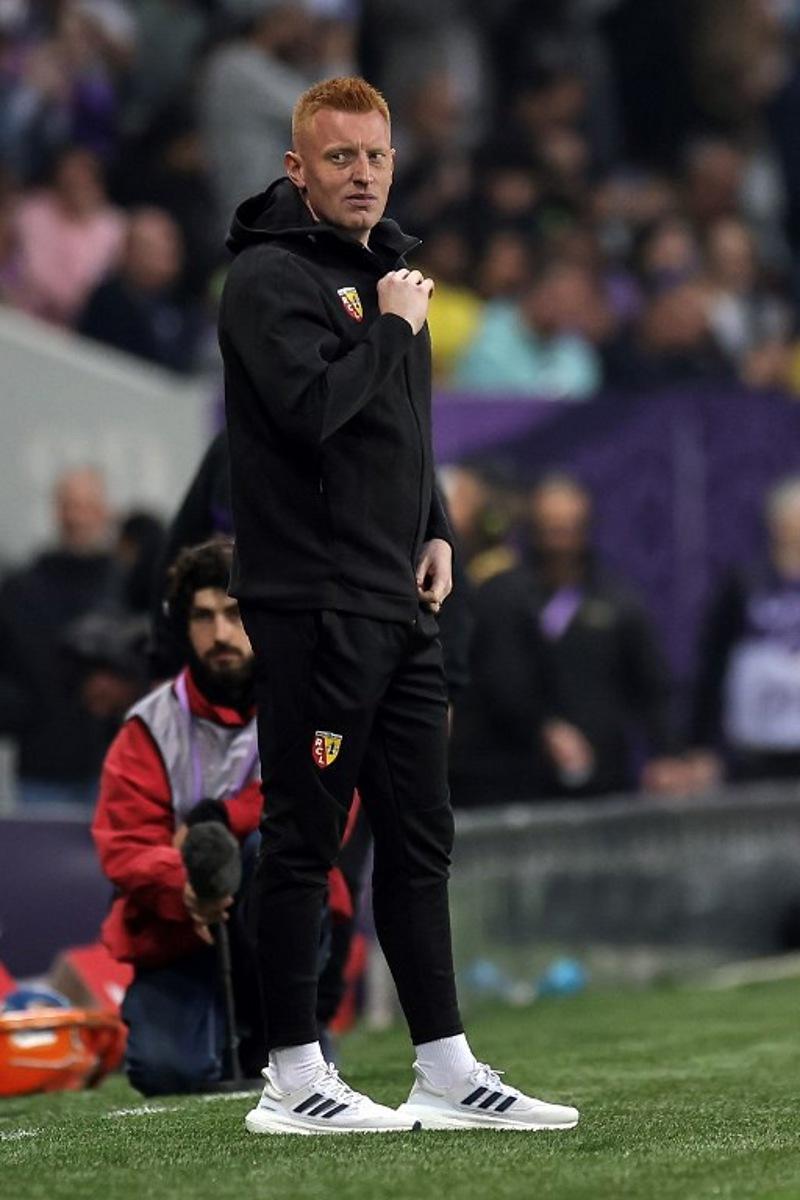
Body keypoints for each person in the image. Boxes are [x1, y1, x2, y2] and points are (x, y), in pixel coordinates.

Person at [219, 75, 579, 1134]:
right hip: (313, 602)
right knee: (305, 838)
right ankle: (292, 1077)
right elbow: (313, 413)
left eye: (376, 156)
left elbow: (405, 434)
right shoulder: (268, 278)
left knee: (421, 837)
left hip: (395, 596)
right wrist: (387, 329)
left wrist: (439, 527)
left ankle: (444, 1067)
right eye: (340, 157)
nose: (364, 174)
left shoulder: (390, 275)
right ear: (297, 168)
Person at [92, 539, 352, 1094]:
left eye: (235, 614)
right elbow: (124, 846)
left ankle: (286, 1029)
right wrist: (187, 887)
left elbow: (334, 807)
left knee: (272, 849)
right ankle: (254, 1033)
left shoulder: (310, 704)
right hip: (181, 931)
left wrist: (223, 818)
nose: (220, 633)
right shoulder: (148, 727)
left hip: (284, 925)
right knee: (167, 1073)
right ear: (182, 627)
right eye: (203, 617)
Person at [450, 474, 685, 806]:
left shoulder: (617, 603)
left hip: (602, 775)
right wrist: (542, 728)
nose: (558, 543)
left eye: (568, 529)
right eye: (548, 529)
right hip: (514, 777)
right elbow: (491, 682)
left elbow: (652, 686)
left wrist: (667, 753)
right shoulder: (504, 597)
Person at [0, 466, 122, 806]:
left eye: (87, 506)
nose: (77, 517)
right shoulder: (20, 590)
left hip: (121, 769)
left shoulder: (129, 586)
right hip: (43, 772)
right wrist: (24, 710)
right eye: (70, 505)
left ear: (105, 512)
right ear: (56, 511)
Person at [690, 476, 800, 784]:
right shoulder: (744, 584)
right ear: (777, 525)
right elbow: (714, 662)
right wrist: (700, 744)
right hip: (756, 749)